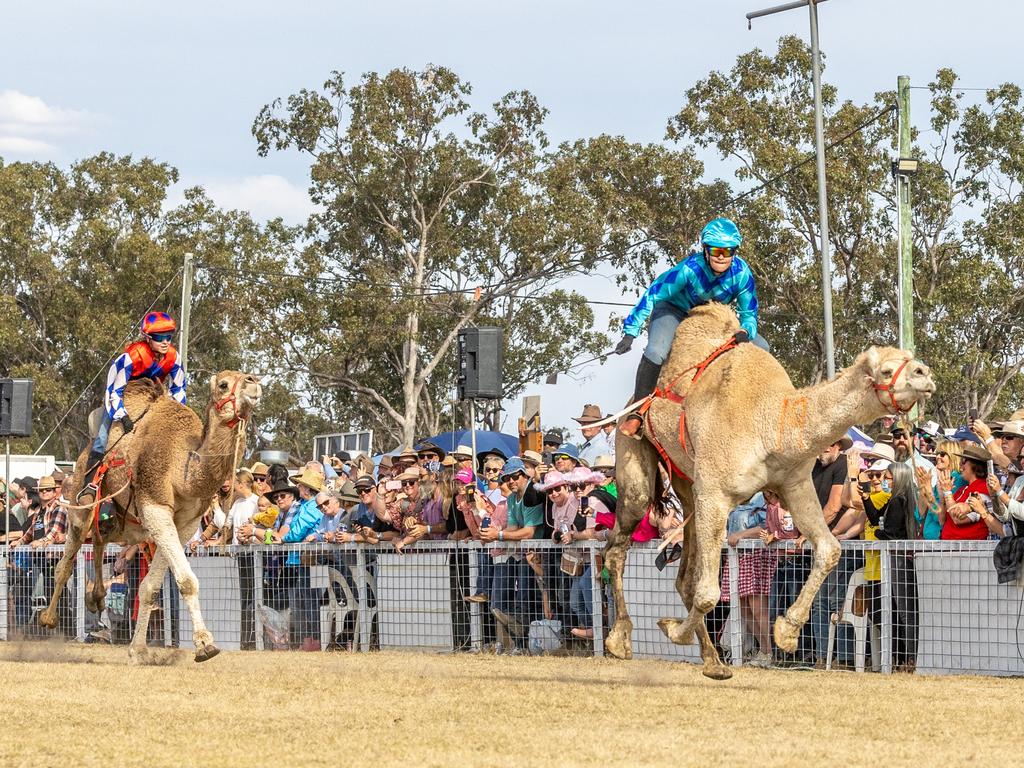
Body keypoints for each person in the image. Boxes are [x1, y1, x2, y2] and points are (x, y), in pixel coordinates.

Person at [615, 218, 764, 435]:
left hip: (712, 319)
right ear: (706, 250)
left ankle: (746, 409)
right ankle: (637, 412)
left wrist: (745, 331)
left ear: (735, 252)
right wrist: (630, 332)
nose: (721, 257)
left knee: (763, 348)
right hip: (675, 311)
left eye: (728, 251)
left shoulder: (742, 274)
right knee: (656, 350)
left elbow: (749, 314)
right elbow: (654, 294)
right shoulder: (688, 269)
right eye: (716, 251)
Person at [84, 312, 186, 490]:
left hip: (154, 399)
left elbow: (179, 388)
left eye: (168, 337)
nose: (165, 342)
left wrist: (174, 409)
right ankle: (89, 486)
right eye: (160, 337)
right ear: (147, 338)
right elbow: (114, 390)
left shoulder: (174, 358)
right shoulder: (131, 357)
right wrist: (122, 415)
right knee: (101, 437)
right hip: (123, 399)